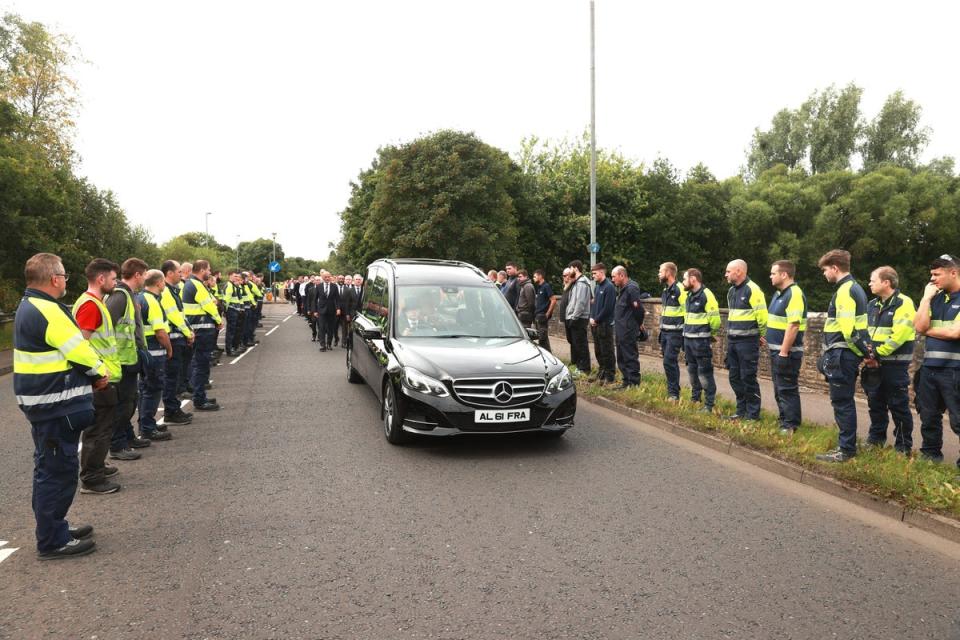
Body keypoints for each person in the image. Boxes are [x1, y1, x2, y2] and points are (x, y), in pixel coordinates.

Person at [14, 253, 108, 559]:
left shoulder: (32, 304)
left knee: (53, 468)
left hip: (47, 404)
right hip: (54, 405)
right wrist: (100, 371)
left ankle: (56, 528)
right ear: (55, 279)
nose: (67, 281)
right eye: (65, 276)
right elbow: (78, 349)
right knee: (55, 472)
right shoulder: (48, 309)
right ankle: (52, 540)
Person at [815, 249, 873, 463]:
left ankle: (846, 450)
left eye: (825, 270)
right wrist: (865, 353)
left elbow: (849, 331)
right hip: (846, 354)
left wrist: (864, 353)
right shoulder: (855, 288)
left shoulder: (845, 291)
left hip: (842, 354)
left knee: (842, 403)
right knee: (844, 401)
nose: (824, 274)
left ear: (835, 268)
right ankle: (847, 447)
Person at [72, 258, 124, 494]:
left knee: (103, 427)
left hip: (104, 376)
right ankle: (92, 479)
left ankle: (98, 466)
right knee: (98, 430)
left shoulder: (95, 303)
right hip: (100, 379)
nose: (116, 282)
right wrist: (95, 374)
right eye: (113, 278)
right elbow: (80, 345)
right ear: (101, 279)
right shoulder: (90, 305)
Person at [862, 266, 916, 453]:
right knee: (875, 404)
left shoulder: (903, 303)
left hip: (894, 365)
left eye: (873, 280)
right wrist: (868, 354)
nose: (869, 283)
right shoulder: (870, 305)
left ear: (886, 282)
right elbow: (864, 332)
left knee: (898, 406)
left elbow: (899, 336)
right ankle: (875, 440)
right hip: (873, 365)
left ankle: (903, 447)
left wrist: (876, 354)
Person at [913, 254, 960, 466]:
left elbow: (954, 333)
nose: (932, 279)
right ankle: (930, 457)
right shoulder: (936, 298)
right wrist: (925, 298)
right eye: (931, 274)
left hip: (955, 370)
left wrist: (927, 330)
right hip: (930, 369)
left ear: (953, 272)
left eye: (936, 274)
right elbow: (919, 326)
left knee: (958, 420)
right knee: (929, 417)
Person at [105, 258, 150, 462]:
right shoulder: (120, 296)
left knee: (130, 402)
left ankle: (128, 436)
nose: (146, 279)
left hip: (130, 358)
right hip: (121, 360)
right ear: (137, 275)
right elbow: (106, 327)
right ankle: (117, 445)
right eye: (145, 275)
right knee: (123, 404)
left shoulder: (129, 295)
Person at [765, 260, 807, 435]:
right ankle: (784, 419)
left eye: (773, 273)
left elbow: (794, 325)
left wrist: (783, 352)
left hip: (787, 353)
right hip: (776, 350)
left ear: (784, 274)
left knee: (787, 388)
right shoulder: (779, 294)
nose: (770, 276)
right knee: (778, 388)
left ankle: (790, 425)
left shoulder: (794, 294)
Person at [723, 259, 767, 421]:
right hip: (733, 341)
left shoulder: (753, 290)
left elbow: (762, 317)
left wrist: (760, 335)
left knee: (748, 377)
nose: (726, 274)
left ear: (739, 271)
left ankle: (753, 414)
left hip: (748, 342)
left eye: (728, 271)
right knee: (734, 377)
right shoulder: (731, 291)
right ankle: (741, 411)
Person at [137, 270, 173, 441]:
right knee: (153, 389)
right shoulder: (151, 301)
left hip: (144, 352)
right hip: (155, 352)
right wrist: (169, 348)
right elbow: (160, 332)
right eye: (163, 282)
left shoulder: (140, 297)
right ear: (159, 283)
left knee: (145, 389)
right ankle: (148, 428)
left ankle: (145, 423)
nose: (164, 285)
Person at [182, 259, 222, 411]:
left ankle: (201, 396)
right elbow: (209, 306)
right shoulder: (197, 285)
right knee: (200, 365)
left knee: (200, 364)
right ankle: (199, 399)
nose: (210, 272)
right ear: (202, 269)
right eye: (209, 270)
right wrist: (218, 320)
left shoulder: (192, 284)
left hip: (198, 329)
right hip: (202, 330)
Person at [159, 260, 194, 425]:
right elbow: (173, 316)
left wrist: (188, 330)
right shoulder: (166, 291)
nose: (182, 275)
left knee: (174, 376)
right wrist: (187, 332)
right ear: (170, 273)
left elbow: (181, 314)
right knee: (171, 377)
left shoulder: (173, 290)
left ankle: (173, 409)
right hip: (172, 338)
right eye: (179, 272)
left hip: (177, 338)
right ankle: (171, 412)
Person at [682, 268, 720, 413]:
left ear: (693, 279)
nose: (683, 282)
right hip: (689, 341)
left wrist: (709, 335)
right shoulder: (689, 295)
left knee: (704, 373)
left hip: (701, 342)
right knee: (692, 371)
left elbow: (715, 321)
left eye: (685, 279)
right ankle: (695, 399)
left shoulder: (706, 294)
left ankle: (709, 405)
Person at [611, 266, 644, 388]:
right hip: (621, 329)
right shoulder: (622, 289)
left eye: (614, 276)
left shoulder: (631, 288)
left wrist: (639, 323)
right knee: (621, 357)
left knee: (630, 356)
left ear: (622, 275)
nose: (612, 279)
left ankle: (633, 383)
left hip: (628, 329)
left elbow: (638, 309)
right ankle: (626, 381)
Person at [658, 262, 686, 402]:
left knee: (669, 361)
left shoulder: (680, 289)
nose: (658, 273)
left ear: (668, 273)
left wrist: (685, 333)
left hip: (675, 333)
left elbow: (687, 311)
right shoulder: (666, 290)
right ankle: (673, 390)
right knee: (667, 362)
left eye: (660, 271)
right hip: (665, 332)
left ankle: (674, 394)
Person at [589, 263, 616, 384]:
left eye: (595, 273)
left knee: (607, 351)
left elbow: (608, 308)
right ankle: (602, 372)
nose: (593, 276)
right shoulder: (597, 287)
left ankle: (610, 376)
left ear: (601, 272)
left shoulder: (609, 287)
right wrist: (591, 317)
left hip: (604, 325)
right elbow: (594, 305)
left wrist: (597, 319)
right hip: (595, 324)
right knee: (598, 350)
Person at [565, 261, 592, 376]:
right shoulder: (576, 282)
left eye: (570, 268)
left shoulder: (581, 283)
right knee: (577, 343)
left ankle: (584, 369)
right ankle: (580, 367)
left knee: (581, 344)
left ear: (575, 269)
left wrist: (574, 317)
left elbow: (580, 302)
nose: (568, 271)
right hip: (576, 317)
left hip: (579, 318)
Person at [314, 271, 341, 351]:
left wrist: (338, 308)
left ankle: (329, 343)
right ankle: (322, 345)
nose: (327, 278)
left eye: (328, 276)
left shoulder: (334, 286)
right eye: (325, 277)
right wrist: (315, 310)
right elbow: (315, 299)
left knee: (330, 328)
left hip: (331, 310)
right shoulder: (318, 286)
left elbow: (337, 298)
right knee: (321, 328)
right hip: (321, 310)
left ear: (330, 277)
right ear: (322, 277)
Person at [223, 270, 247, 355]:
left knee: (234, 330)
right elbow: (226, 300)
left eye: (237, 276)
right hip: (231, 310)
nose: (237, 278)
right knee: (231, 331)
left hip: (235, 310)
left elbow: (237, 299)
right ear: (230, 276)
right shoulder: (229, 285)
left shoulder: (233, 285)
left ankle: (233, 347)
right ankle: (229, 350)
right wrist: (225, 311)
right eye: (235, 276)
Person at [533, 270, 556, 352]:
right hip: (538, 315)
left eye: (535, 276)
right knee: (541, 338)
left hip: (542, 315)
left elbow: (553, 300)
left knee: (543, 338)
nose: (533, 278)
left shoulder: (546, 286)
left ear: (540, 276)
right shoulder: (539, 287)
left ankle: (548, 355)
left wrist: (547, 313)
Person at [339, 275, 360, 348]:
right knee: (346, 328)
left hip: (360, 314)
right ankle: (344, 342)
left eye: (359, 279)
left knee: (356, 330)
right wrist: (347, 314)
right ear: (354, 281)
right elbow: (347, 303)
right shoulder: (350, 290)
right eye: (356, 279)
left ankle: (353, 344)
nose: (358, 281)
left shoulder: (363, 290)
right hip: (351, 313)